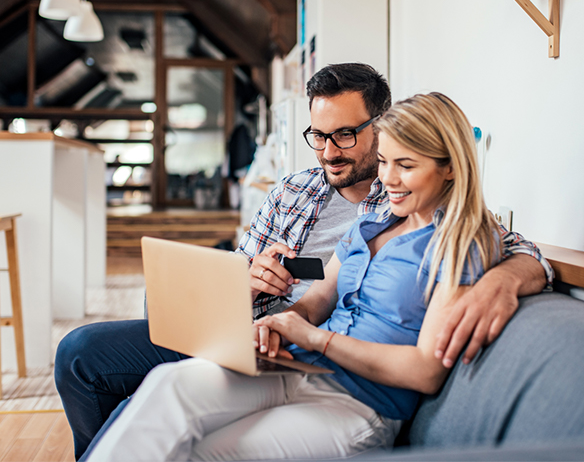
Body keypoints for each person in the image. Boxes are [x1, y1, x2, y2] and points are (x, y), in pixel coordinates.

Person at [55, 64, 552, 459]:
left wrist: (508, 278)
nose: (328, 151)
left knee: (192, 443)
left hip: (341, 385)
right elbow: (297, 291)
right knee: (107, 364)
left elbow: (521, 252)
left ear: (379, 130)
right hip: (264, 345)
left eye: (344, 136)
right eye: (318, 136)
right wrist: (252, 286)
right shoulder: (305, 194)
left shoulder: (433, 222)